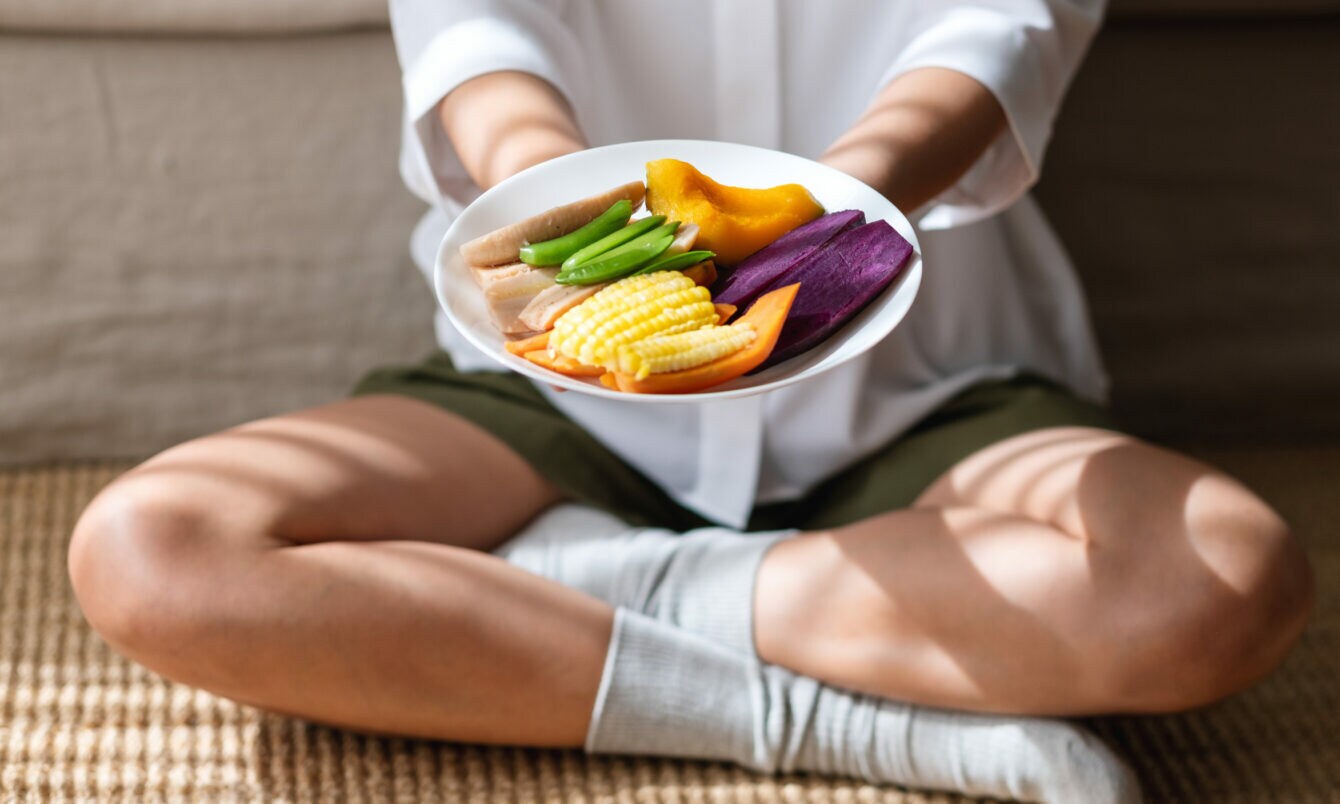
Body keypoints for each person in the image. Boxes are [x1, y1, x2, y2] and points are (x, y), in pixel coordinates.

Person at [67, 1, 1313, 801]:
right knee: (156, 550)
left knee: (1213, 581)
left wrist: (823, 226)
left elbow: (995, 39)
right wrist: (571, 211)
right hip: (562, 387)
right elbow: (477, 47)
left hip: (918, 380)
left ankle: (584, 579)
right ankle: (830, 723)